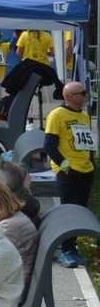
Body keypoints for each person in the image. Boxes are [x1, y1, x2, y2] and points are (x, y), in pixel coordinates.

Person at [42, 79, 95, 213]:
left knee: (82, 209)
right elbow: (49, 145)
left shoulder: (84, 116)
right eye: (82, 93)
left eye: (85, 92)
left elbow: (87, 143)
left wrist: (92, 163)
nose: (86, 96)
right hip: (68, 171)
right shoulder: (57, 115)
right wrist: (65, 166)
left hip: (86, 169)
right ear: (69, 97)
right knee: (70, 210)